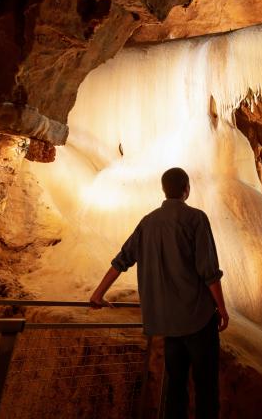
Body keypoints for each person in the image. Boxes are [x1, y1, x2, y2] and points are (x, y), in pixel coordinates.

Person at [89, 167, 228, 419]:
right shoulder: (196, 218)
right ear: (187, 189)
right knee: (206, 387)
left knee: (175, 388)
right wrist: (222, 307)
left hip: (168, 324)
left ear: (164, 190)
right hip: (198, 319)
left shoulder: (148, 222)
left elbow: (122, 260)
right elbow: (208, 271)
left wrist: (98, 294)